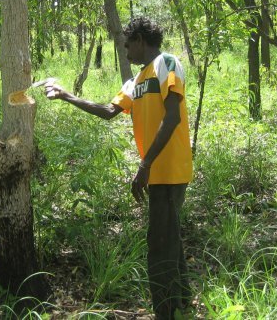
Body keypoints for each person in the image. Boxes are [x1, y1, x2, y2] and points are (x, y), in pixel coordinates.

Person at [45, 18, 193, 319]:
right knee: (169, 236)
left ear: (140, 39)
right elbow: (109, 111)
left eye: (127, 45)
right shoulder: (136, 81)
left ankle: (166, 312)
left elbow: (173, 117)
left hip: (170, 170)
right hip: (155, 171)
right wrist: (66, 96)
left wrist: (145, 165)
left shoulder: (168, 64)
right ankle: (182, 304)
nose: (126, 52)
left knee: (159, 243)